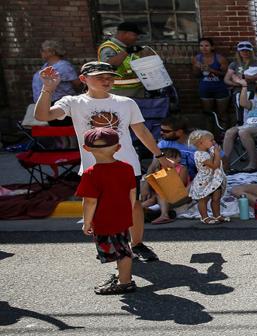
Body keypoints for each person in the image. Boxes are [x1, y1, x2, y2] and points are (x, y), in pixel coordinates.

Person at [37, 60, 180, 264]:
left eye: (110, 77)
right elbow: (43, 115)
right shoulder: (73, 102)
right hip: (94, 168)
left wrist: (159, 156)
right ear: (83, 79)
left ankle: (136, 244)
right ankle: (113, 248)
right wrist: (47, 89)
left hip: (127, 164)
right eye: (100, 77)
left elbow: (141, 131)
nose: (107, 80)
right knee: (101, 209)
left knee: (133, 205)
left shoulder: (126, 102)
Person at [76, 128, 140, 295]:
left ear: (86, 148)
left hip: (105, 219)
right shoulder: (127, 168)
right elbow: (132, 192)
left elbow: (90, 201)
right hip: (122, 215)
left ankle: (125, 282)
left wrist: (87, 222)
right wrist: (129, 209)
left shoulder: (91, 174)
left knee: (121, 251)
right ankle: (122, 276)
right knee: (122, 246)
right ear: (118, 148)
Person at [144, 119, 195, 224]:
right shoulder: (163, 144)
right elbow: (153, 166)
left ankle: (158, 213)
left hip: (185, 182)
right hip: (165, 180)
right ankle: (142, 211)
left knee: (160, 195)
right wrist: (145, 184)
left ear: (180, 132)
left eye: (166, 131)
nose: (162, 133)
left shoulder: (195, 145)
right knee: (154, 193)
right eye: (161, 130)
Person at [223, 84, 257, 166]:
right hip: (248, 125)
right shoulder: (254, 103)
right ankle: (225, 163)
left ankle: (253, 162)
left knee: (243, 132)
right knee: (229, 132)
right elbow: (242, 103)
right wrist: (244, 86)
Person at [186, 129, 227, 223]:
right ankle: (204, 217)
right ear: (201, 143)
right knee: (203, 199)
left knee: (216, 198)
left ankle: (217, 215)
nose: (214, 142)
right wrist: (217, 153)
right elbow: (214, 166)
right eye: (211, 140)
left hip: (214, 179)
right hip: (204, 180)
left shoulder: (208, 152)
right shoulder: (200, 154)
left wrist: (215, 153)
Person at [96, 22, 146, 99]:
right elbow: (108, 66)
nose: (137, 38)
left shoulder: (128, 48)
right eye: (135, 35)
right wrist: (127, 51)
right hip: (118, 93)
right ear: (124, 33)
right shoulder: (109, 47)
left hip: (135, 92)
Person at [191, 38, 230, 126]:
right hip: (205, 88)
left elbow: (226, 74)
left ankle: (224, 134)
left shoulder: (220, 58)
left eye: (206, 46)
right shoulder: (197, 59)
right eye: (201, 46)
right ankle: (210, 134)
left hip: (220, 88)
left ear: (212, 47)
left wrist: (210, 69)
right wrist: (196, 68)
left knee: (222, 113)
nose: (204, 48)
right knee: (208, 114)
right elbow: (195, 75)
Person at [32, 41, 79, 110]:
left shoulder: (63, 66)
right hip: (46, 104)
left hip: (60, 104)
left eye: (43, 50)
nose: (41, 52)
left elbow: (77, 83)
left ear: (52, 52)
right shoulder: (45, 66)